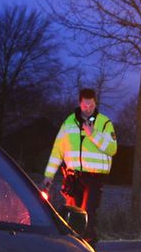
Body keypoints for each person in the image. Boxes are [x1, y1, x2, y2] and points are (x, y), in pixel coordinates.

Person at [42, 88, 117, 243]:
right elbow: (57, 150)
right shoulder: (69, 123)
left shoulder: (104, 123)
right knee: (72, 216)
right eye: (85, 106)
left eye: (91, 105)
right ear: (79, 103)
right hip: (73, 177)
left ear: (95, 103)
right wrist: (49, 175)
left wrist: (93, 134)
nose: (88, 109)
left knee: (88, 216)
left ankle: (89, 251)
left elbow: (112, 149)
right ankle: (72, 248)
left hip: (94, 178)